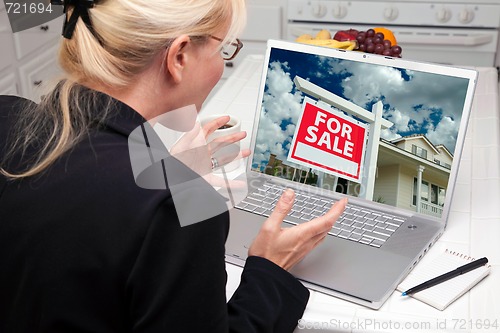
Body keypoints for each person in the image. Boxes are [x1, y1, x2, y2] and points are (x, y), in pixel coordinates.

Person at [0, 0, 347, 332]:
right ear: (179, 56)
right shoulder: (178, 208)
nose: (222, 64)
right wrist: (269, 270)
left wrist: (164, 170)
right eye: (223, 49)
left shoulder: (7, 114)